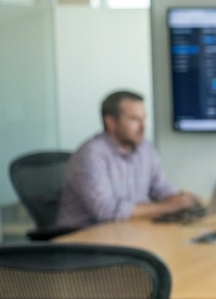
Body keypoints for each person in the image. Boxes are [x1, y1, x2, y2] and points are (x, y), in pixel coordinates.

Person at [56, 90, 198, 229]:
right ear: (110, 122)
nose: (143, 127)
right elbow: (105, 211)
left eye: (144, 119)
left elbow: (161, 189)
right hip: (83, 241)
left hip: (126, 230)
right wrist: (169, 206)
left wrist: (181, 199)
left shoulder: (145, 148)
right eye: (134, 119)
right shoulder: (91, 154)